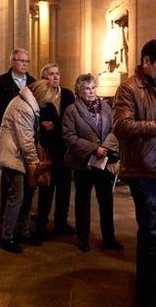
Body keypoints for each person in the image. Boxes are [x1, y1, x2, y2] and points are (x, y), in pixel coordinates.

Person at [112, 39, 156, 307]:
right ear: (146, 62)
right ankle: (146, 297)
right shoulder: (129, 88)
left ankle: (152, 292)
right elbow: (121, 126)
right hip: (145, 171)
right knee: (151, 236)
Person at [0, 80, 56, 254]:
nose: (46, 103)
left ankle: (23, 231)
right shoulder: (23, 107)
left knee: (27, 196)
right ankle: (8, 237)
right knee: (17, 197)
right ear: (41, 95)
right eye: (47, 99)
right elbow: (26, 140)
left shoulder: (27, 103)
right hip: (13, 157)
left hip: (19, 157)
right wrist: (35, 163)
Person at [62, 73, 122, 252]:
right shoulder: (72, 110)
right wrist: (93, 149)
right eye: (87, 89)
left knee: (106, 201)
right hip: (84, 162)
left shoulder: (105, 107)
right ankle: (82, 238)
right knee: (82, 201)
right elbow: (69, 136)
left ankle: (109, 238)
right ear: (79, 91)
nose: (91, 92)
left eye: (93, 88)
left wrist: (105, 147)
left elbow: (115, 129)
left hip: (103, 161)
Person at [0, 49, 36, 213]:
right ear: (12, 62)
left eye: (26, 61)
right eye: (21, 61)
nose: (24, 64)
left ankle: (23, 211)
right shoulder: (2, 82)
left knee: (24, 173)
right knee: (10, 172)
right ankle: (6, 208)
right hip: (9, 132)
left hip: (26, 131)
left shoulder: (32, 82)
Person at [36, 63, 76, 238]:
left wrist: (55, 125)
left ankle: (61, 222)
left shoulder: (67, 94)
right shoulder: (41, 96)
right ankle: (41, 225)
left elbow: (71, 119)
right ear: (45, 78)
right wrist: (42, 124)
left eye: (57, 74)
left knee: (64, 189)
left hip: (65, 149)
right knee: (46, 188)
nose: (55, 77)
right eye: (51, 74)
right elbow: (37, 120)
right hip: (48, 149)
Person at [103, 0, 129, 73]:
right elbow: (107, 13)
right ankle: (108, 66)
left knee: (120, 46)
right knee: (109, 47)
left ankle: (121, 65)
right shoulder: (112, 4)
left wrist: (117, 17)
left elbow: (127, 12)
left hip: (120, 28)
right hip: (112, 29)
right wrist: (110, 18)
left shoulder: (126, 1)